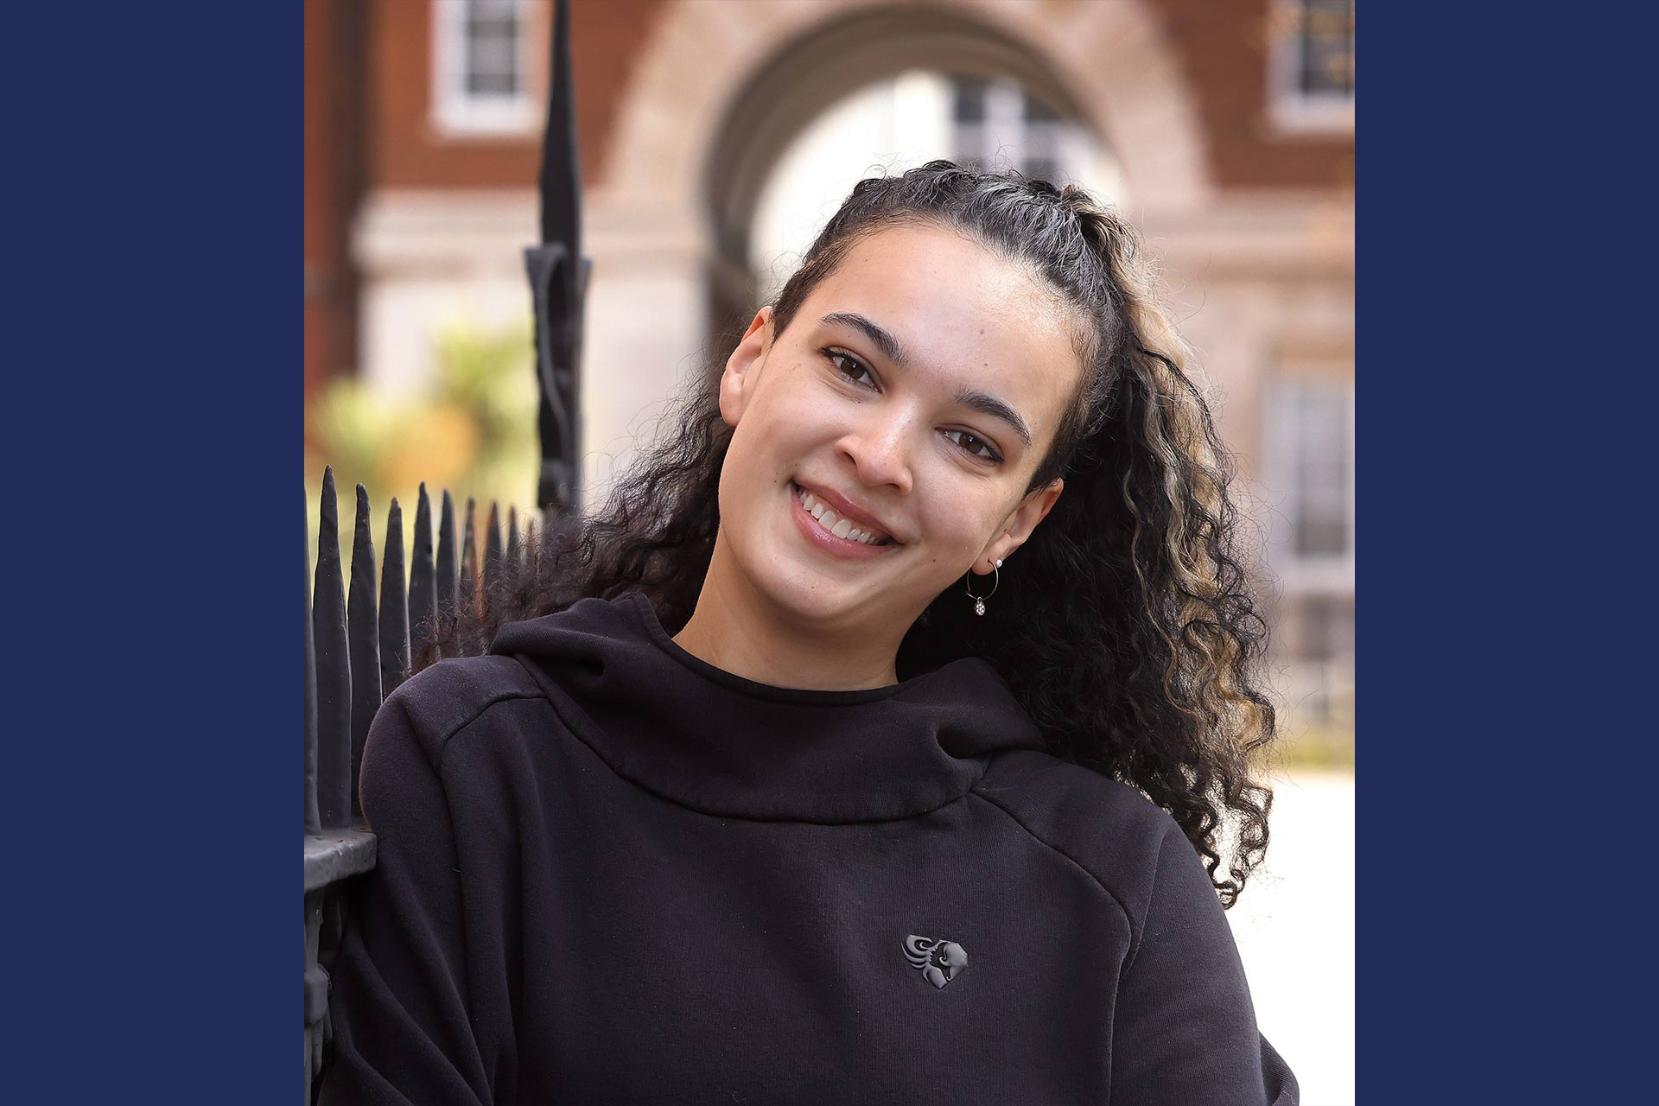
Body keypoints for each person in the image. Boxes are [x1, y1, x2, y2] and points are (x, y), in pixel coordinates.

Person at [317, 161, 1298, 1105]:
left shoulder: (1114, 879)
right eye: (853, 366)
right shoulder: (486, 764)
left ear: (1017, 519)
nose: (878, 454)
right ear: (750, 360)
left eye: (970, 440)